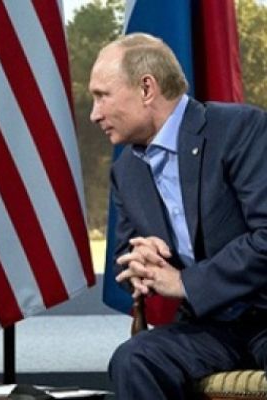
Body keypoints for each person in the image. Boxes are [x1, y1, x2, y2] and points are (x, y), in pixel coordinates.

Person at [89, 33, 267, 399]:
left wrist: (186, 283)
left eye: (102, 96)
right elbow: (125, 258)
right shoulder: (127, 172)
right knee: (135, 359)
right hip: (211, 327)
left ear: (146, 88)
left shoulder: (239, 129)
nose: (94, 114)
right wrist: (143, 261)